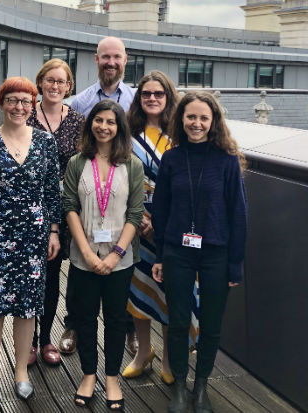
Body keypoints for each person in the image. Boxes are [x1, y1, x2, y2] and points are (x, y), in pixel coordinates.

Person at [0, 77, 60, 405]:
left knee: (27, 308)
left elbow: (51, 193)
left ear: (33, 105)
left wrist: (54, 232)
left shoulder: (47, 143)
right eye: (12, 100)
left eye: (25, 101)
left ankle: (20, 371)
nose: (19, 107)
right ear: (1, 104)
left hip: (34, 237)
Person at [151, 91, 247, 413]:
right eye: (191, 117)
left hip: (216, 253)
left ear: (213, 121)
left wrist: (235, 264)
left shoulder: (227, 159)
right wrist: (162, 255)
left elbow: (238, 213)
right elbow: (161, 209)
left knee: (210, 323)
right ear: (181, 119)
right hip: (178, 250)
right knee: (178, 320)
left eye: (203, 118)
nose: (197, 123)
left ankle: (201, 384)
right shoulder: (172, 158)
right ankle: (179, 383)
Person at [63, 99, 144, 412]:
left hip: (119, 260)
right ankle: (87, 375)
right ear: (90, 124)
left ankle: (111, 378)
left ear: (119, 127)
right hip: (84, 257)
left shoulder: (132, 165)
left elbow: (135, 214)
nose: (104, 127)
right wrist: (86, 251)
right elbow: (69, 206)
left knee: (114, 319)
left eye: (111, 122)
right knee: (84, 318)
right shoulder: (77, 163)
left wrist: (114, 255)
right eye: (99, 121)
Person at [122, 70, 199, 385]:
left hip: (172, 224)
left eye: (158, 94)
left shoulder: (181, 135)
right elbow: (119, 176)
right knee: (136, 289)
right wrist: (138, 215)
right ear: (139, 100)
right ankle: (143, 352)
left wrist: (164, 223)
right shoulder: (126, 134)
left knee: (170, 289)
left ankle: (168, 356)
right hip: (135, 221)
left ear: (169, 98)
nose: (152, 99)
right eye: (146, 94)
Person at [62, 35, 138, 356]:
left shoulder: (136, 100)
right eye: (105, 57)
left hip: (123, 196)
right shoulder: (79, 102)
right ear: (96, 59)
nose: (111, 62)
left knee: (124, 279)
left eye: (116, 57)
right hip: (86, 195)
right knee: (80, 273)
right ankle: (73, 324)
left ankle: (130, 329)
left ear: (125, 59)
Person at [26, 58, 84, 366]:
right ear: (40, 83)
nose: (55, 86)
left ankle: (45, 339)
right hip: (28, 209)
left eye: (61, 82)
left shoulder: (77, 120)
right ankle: (27, 340)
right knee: (29, 276)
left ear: (68, 87)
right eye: (50, 80)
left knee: (51, 276)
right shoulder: (25, 115)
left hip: (65, 211)